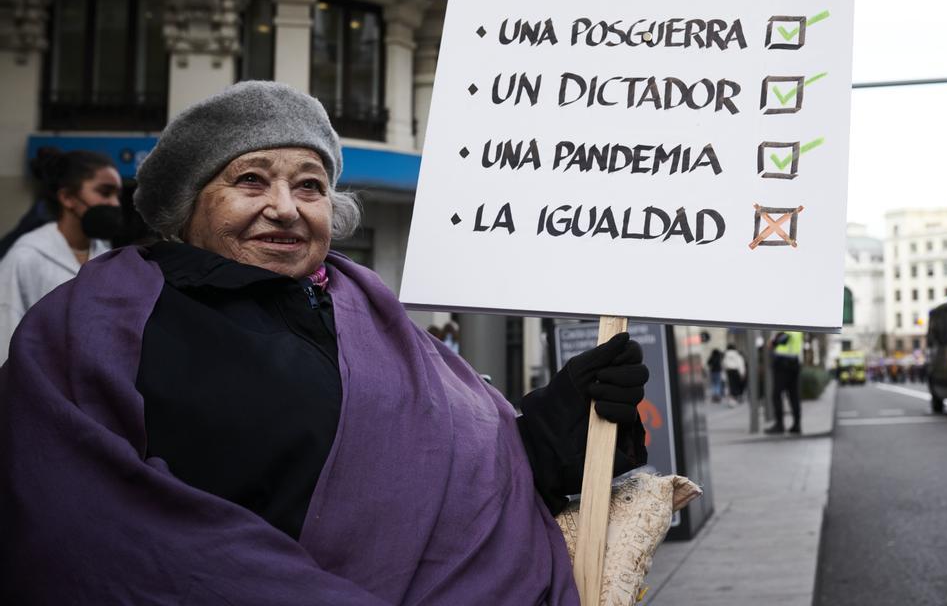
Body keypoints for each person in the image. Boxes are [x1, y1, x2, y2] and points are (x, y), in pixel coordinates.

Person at [0, 81, 649, 604]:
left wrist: (569, 413)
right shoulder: (98, 317)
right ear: (185, 208)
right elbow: (92, 525)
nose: (286, 207)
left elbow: (479, 457)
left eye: (309, 185)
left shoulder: (368, 306)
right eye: (251, 180)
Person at [0, 147, 122, 358]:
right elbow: (5, 333)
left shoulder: (104, 252)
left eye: (116, 195)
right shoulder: (26, 256)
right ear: (67, 197)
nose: (114, 203)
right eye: (105, 192)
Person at [765, 331, 803, 435]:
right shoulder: (798, 326)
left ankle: (780, 425)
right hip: (794, 362)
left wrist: (773, 343)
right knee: (794, 396)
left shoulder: (786, 324)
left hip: (783, 364)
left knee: (776, 395)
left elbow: (783, 338)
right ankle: (797, 424)